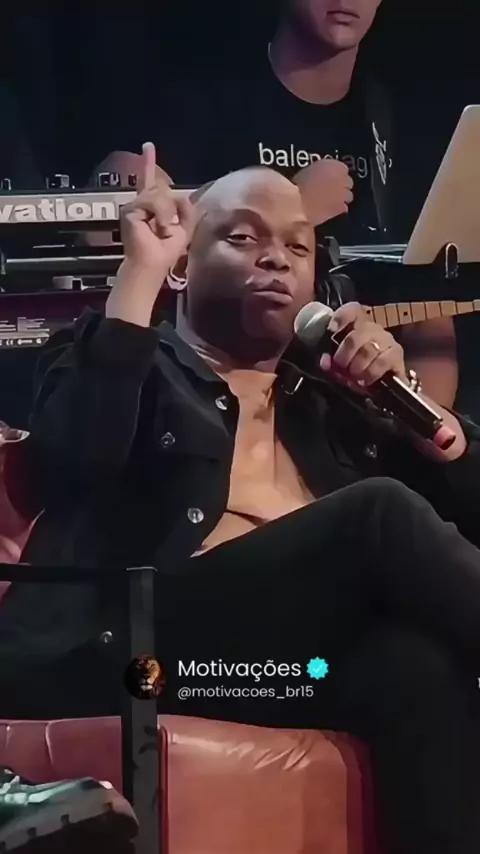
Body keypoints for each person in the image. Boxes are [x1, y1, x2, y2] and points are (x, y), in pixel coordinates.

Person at [2, 144, 480, 853]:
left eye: (298, 246)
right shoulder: (136, 364)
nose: (276, 258)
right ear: (185, 265)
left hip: (266, 675)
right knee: (378, 513)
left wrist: (413, 411)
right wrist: (139, 275)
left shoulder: (335, 402)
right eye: (243, 237)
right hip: (145, 658)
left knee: (413, 669)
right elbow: (74, 455)